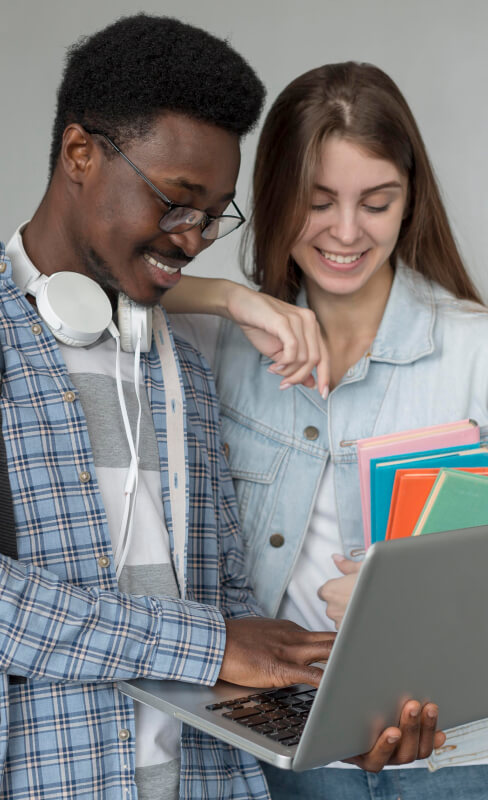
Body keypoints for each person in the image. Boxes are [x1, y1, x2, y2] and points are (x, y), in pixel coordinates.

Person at [0, 21, 441, 800]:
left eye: (214, 215)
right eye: (177, 202)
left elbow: (232, 605)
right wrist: (207, 644)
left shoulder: (185, 362)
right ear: (80, 154)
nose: (193, 239)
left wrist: (336, 719)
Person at [165, 61, 488, 798]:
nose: (346, 232)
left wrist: (404, 604)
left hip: (456, 757)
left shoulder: (476, 351)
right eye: (317, 203)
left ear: (410, 201)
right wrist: (231, 298)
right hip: (279, 757)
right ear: (276, 198)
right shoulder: (214, 344)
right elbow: (85, 282)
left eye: (376, 203)